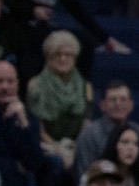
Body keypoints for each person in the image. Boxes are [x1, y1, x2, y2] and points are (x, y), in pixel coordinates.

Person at [76, 80, 139, 184]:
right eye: (113, 100)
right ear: (102, 105)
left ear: (131, 105)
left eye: (123, 100)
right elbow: (83, 175)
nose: (118, 104)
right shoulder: (89, 134)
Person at [26, 31, 91, 169]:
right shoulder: (35, 85)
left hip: (75, 144)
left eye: (68, 55)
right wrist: (59, 150)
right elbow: (37, 127)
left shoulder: (86, 87)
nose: (63, 59)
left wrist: (74, 149)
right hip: (46, 144)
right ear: (48, 57)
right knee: (55, 163)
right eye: (58, 54)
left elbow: (86, 124)